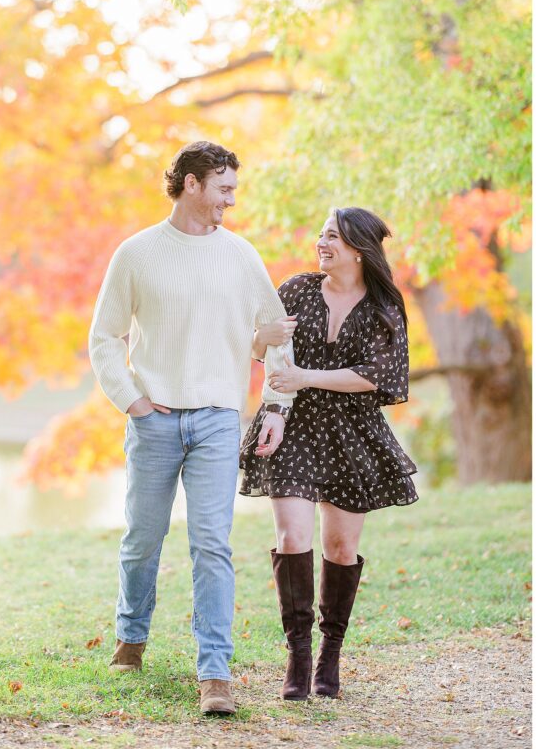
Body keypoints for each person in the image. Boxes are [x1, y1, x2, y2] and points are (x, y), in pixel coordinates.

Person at [88, 141, 296, 716]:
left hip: (217, 420)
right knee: (142, 541)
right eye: (223, 188)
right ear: (190, 184)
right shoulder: (136, 253)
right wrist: (131, 400)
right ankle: (131, 638)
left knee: (212, 545)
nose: (231, 199)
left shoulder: (242, 256)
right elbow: (104, 337)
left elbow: (277, 335)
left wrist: (274, 407)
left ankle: (214, 674)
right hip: (154, 420)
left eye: (233, 188)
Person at [239, 206, 418, 701]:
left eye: (333, 237)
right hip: (292, 423)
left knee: (340, 549)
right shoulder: (295, 289)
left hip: (351, 432)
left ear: (358, 249)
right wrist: (261, 340)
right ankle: (297, 654)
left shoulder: (384, 306)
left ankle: (330, 653)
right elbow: (264, 349)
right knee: (292, 535)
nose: (321, 243)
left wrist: (307, 377)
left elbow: (379, 376)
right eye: (320, 234)